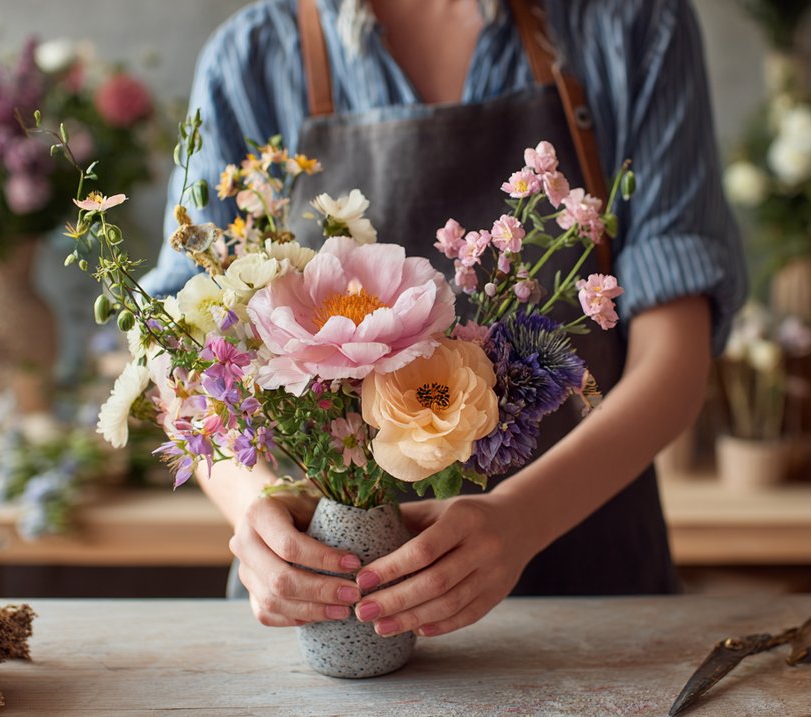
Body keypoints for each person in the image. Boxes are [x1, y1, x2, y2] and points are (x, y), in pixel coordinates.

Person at [141, 0, 746, 640]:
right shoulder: (255, 56)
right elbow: (179, 349)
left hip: (584, 595)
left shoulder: (633, 25)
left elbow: (674, 358)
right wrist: (251, 505)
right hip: (327, 611)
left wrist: (521, 518)